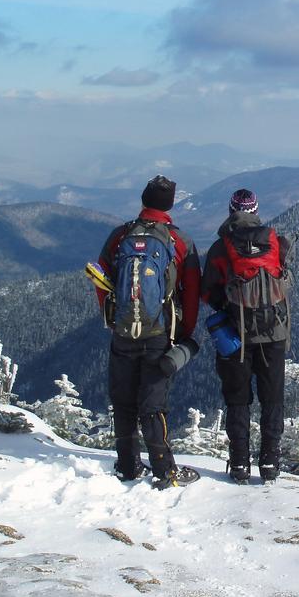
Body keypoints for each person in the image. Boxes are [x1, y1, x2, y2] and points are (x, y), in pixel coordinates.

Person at [95, 175, 201, 489]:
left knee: (124, 399)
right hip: (160, 332)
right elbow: (192, 291)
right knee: (153, 403)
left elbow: (101, 277)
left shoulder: (120, 235)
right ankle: (164, 470)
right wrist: (184, 330)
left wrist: (113, 318)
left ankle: (128, 465)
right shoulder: (179, 241)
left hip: (124, 330)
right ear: (170, 206)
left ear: (143, 201)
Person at [201, 189, 294, 483]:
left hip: (235, 334)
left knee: (238, 399)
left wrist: (228, 303)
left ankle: (240, 463)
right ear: (256, 210)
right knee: (272, 399)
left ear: (231, 210)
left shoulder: (220, 248)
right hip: (274, 334)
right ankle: (270, 464)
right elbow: (285, 283)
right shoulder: (275, 242)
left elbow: (207, 291)